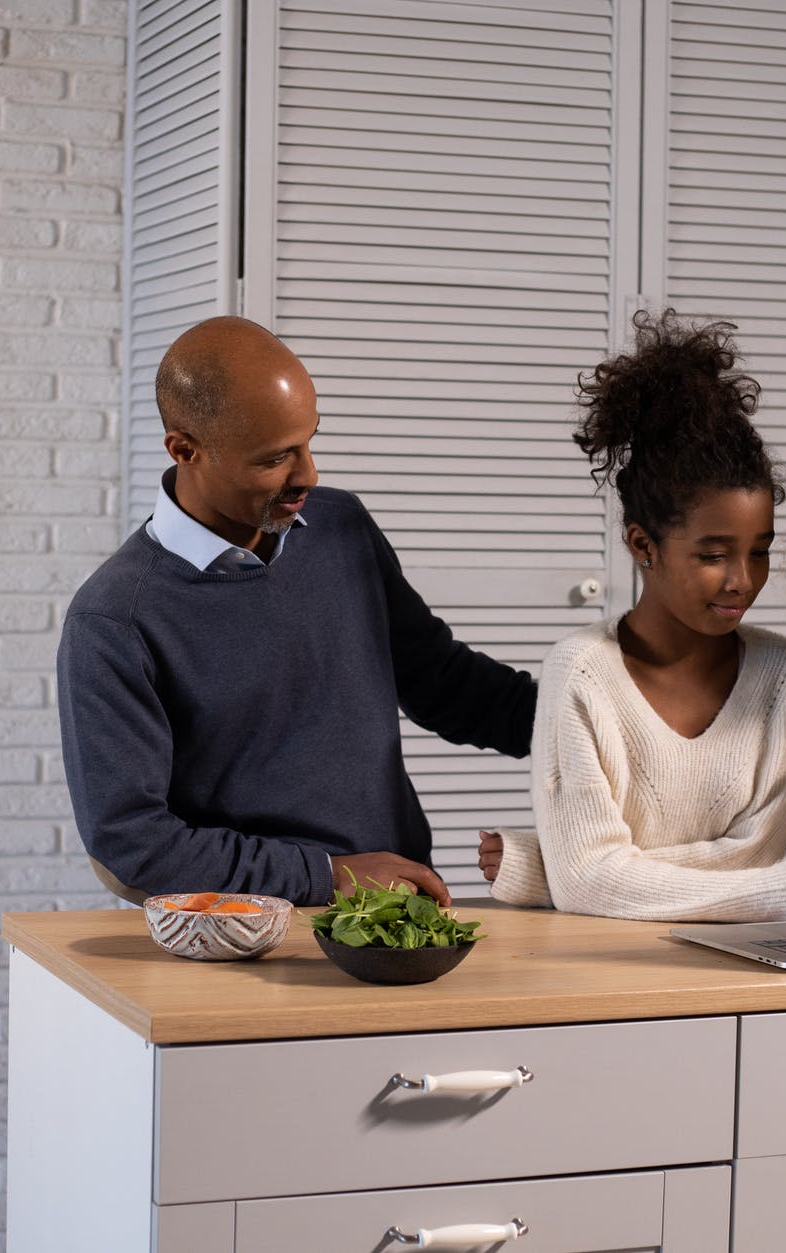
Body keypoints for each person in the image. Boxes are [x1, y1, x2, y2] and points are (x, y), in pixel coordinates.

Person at [58, 316, 537, 907]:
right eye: (275, 458)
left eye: (310, 439)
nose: (308, 474)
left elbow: (443, 682)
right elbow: (132, 842)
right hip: (248, 936)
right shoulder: (114, 620)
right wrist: (331, 875)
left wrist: (596, 720)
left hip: (402, 915)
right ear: (185, 449)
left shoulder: (340, 529)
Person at [480, 310, 786, 921]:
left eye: (760, 551)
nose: (743, 580)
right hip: (601, 971)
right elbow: (759, 881)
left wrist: (557, 872)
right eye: (713, 554)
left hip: (735, 967)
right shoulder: (580, 673)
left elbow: (751, 858)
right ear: (643, 545)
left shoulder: (784, 675)